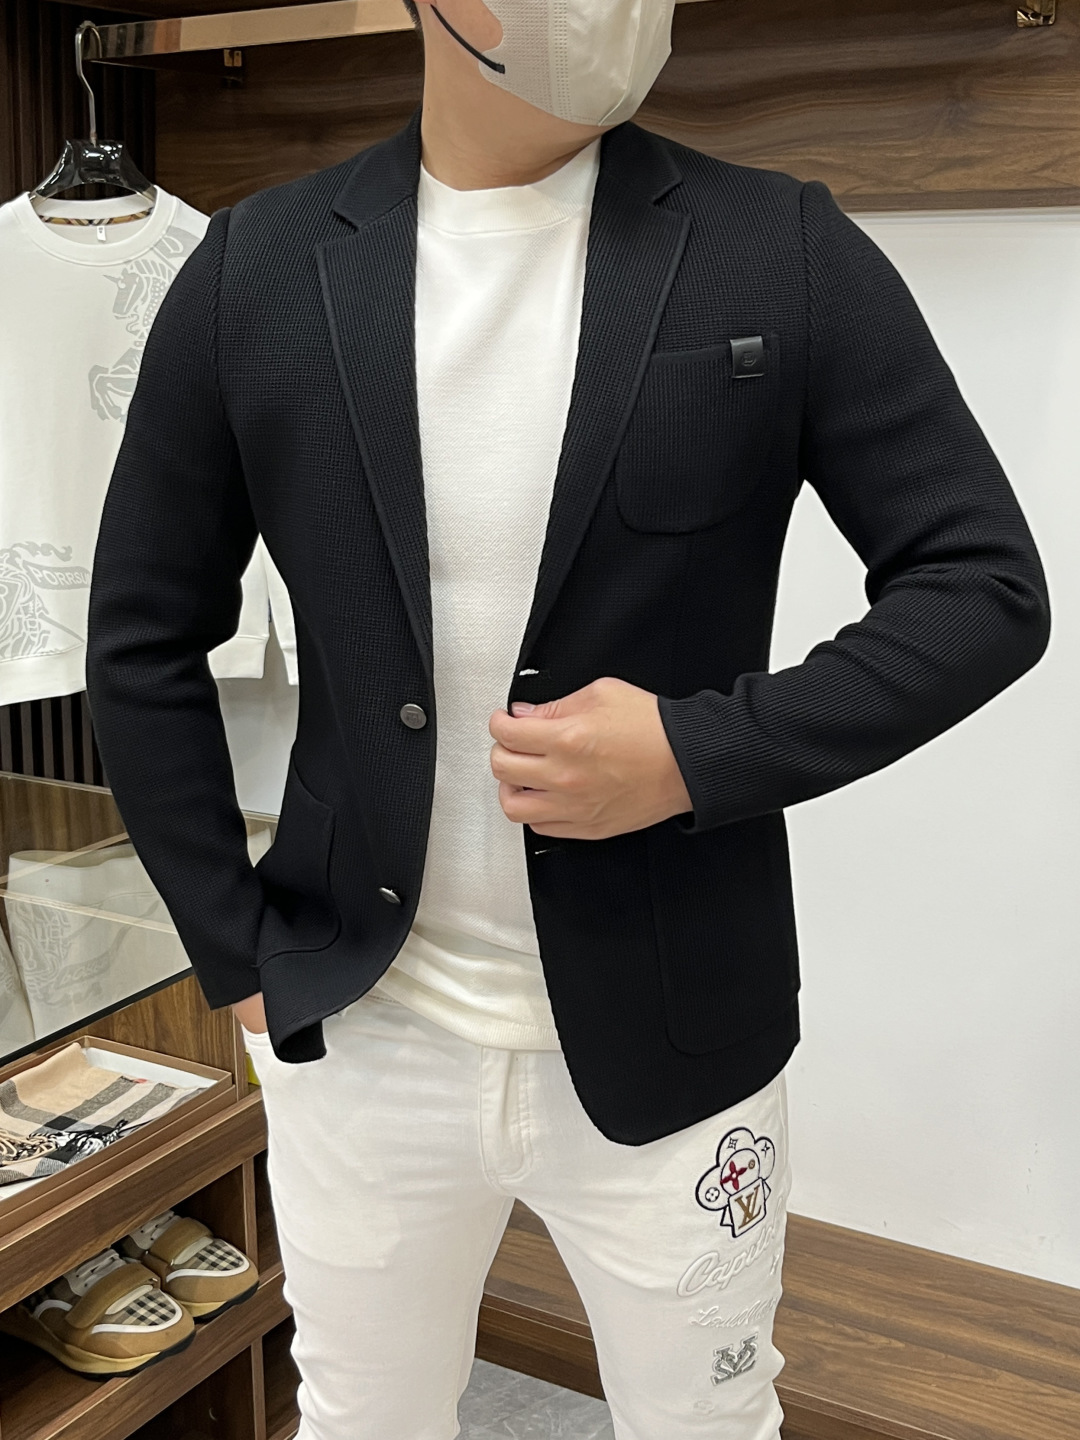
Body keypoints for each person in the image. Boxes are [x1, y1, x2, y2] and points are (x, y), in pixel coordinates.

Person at [84, 1, 1051, 1436]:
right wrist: (231, 947)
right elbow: (140, 633)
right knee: (361, 1415)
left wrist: (697, 752)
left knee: (709, 1420)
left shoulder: (776, 244)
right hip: (363, 1021)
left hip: (681, 1023)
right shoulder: (258, 267)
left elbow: (982, 588)